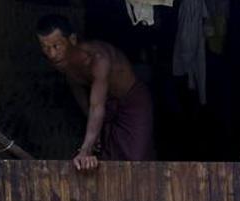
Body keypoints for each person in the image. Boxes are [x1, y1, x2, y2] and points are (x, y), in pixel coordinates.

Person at [36, 14, 154, 170]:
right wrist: (90, 125)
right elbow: (76, 85)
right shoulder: (61, 60)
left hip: (133, 101)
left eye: (56, 46)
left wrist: (85, 150)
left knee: (136, 161)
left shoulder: (98, 59)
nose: (51, 54)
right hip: (105, 103)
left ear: (72, 40)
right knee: (107, 159)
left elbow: (97, 106)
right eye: (45, 48)